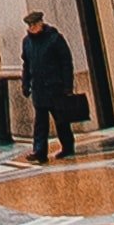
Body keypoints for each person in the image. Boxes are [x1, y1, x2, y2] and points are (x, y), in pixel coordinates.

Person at [20, 11, 77, 163]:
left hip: (55, 87)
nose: (32, 28)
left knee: (61, 120)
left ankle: (68, 146)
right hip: (39, 88)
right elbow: (26, 65)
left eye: (34, 24)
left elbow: (66, 63)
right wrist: (25, 83)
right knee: (40, 123)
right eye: (29, 25)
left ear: (41, 23)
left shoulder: (54, 39)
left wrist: (67, 86)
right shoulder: (27, 42)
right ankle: (39, 151)